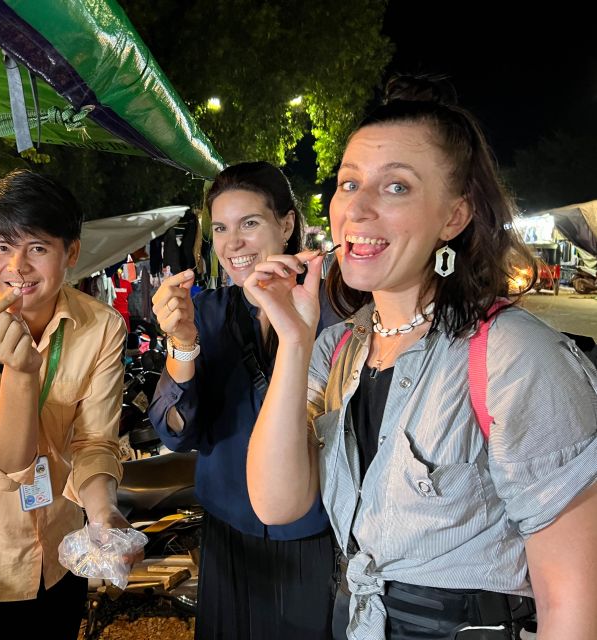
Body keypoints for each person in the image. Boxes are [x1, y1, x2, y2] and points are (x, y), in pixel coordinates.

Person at [244, 75, 597, 640]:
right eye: (349, 182)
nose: (356, 209)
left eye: (396, 188)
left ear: (453, 218)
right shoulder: (338, 350)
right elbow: (276, 503)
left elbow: (576, 600)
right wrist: (293, 339)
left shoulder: (515, 356)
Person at [0, 170, 131, 640]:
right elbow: (2, 463)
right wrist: (20, 373)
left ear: (70, 253)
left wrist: (101, 515)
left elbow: (95, 440)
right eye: (0, 247)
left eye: (36, 247)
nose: (15, 267)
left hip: (61, 553)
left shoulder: (101, 327)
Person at [148, 162, 335, 640]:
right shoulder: (207, 312)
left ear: (287, 224)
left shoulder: (335, 315)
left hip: (314, 539)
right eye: (221, 229)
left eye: (250, 223)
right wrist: (183, 342)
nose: (233, 244)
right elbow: (175, 431)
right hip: (228, 535)